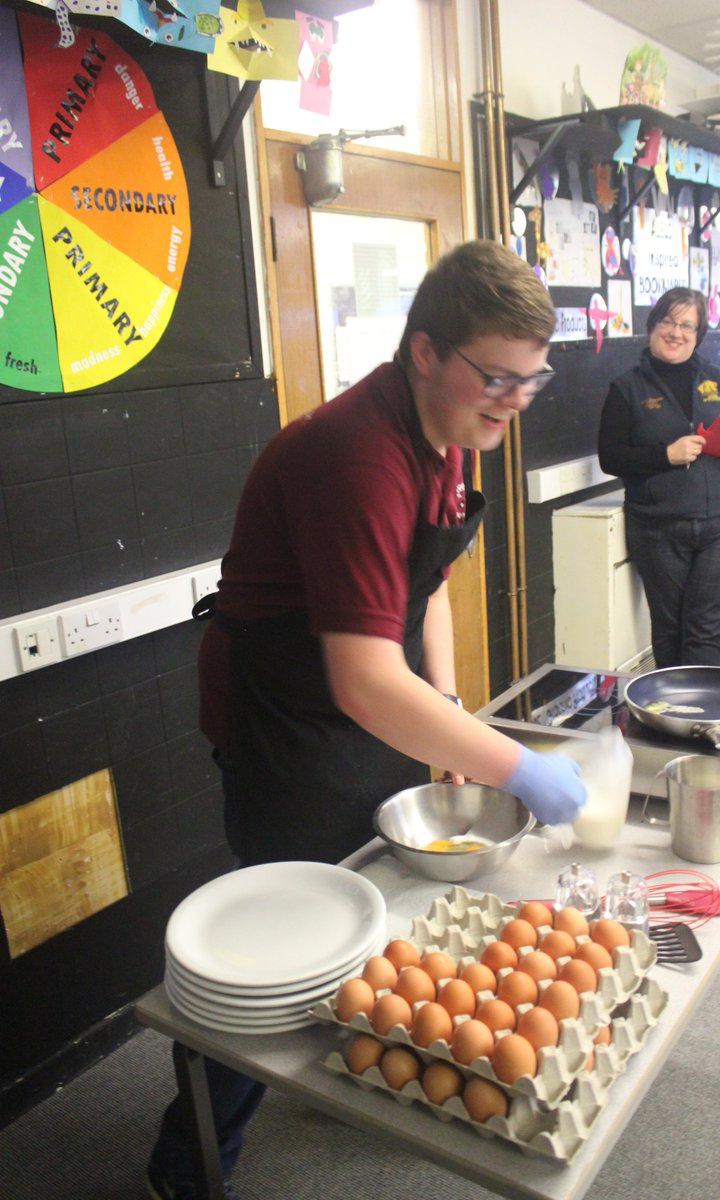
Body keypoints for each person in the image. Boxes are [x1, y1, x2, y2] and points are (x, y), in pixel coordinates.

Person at [147, 239, 586, 1200]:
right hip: (285, 722)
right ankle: (186, 1167)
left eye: (530, 381)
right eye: (495, 379)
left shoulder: (446, 435)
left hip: (359, 696)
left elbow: (425, 586)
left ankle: (365, 1051)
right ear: (425, 351)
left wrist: (451, 713)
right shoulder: (359, 456)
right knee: (281, 952)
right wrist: (514, 764)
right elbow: (359, 681)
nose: (513, 402)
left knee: (386, 908)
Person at [598, 286, 720, 669]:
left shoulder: (718, 379)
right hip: (657, 528)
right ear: (653, 325)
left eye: (688, 325)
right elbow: (611, 457)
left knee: (704, 630)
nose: (677, 332)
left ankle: (702, 718)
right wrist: (665, 455)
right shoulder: (626, 388)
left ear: (698, 333)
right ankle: (671, 721)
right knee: (670, 630)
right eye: (669, 322)